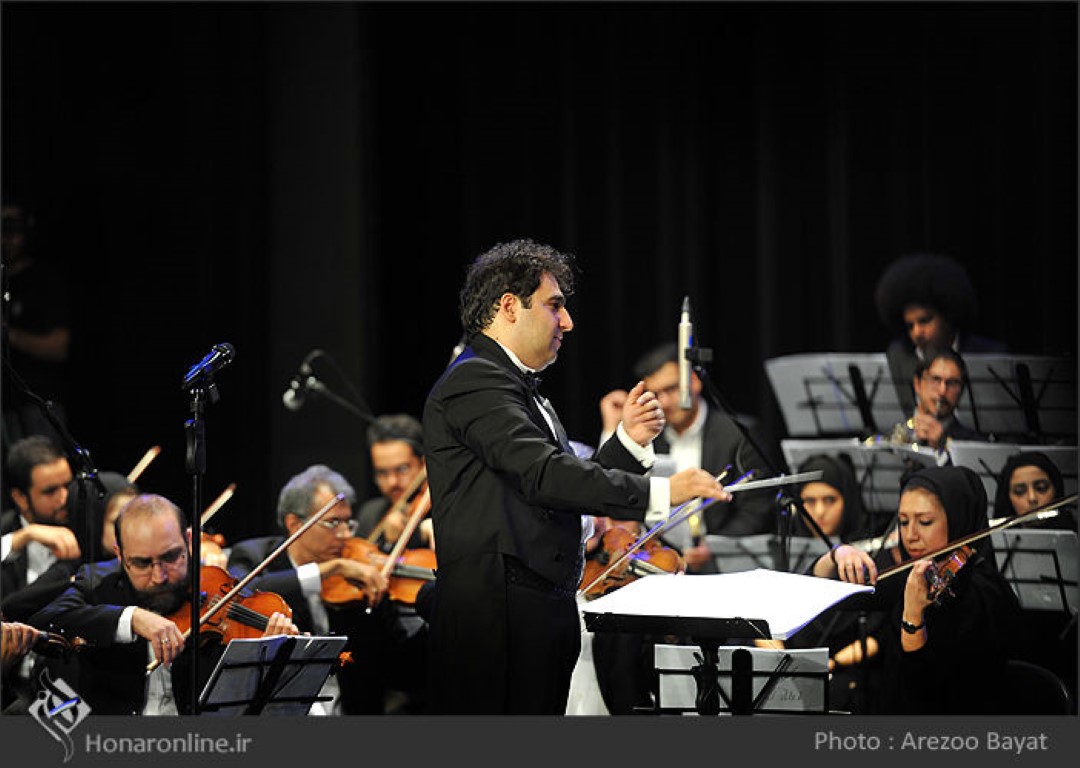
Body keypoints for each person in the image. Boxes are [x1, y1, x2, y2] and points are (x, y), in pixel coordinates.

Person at [422, 238, 728, 715]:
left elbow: (565, 486)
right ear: (509, 306)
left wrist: (627, 443)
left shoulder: (511, 384)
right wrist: (664, 490)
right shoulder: (475, 379)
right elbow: (545, 475)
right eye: (554, 306)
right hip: (498, 619)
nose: (567, 322)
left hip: (530, 612)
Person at [26, 493, 297, 715]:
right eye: (142, 563)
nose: (159, 577)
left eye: (171, 557)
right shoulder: (98, 582)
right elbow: (43, 619)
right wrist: (133, 618)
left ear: (188, 541)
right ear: (120, 554)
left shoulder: (219, 589)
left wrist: (274, 659)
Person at [812, 465, 1023, 714]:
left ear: (958, 518)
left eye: (925, 522)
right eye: (903, 521)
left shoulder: (985, 594)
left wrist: (913, 617)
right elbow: (818, 592)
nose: (910, 535)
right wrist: (837, 555)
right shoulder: (915, 574)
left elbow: (923, 686)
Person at [227, 464, 399, 715]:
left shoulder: (355, 580)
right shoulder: (253, 555)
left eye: (348, 523)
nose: (344, 535)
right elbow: (241, 593)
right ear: (295, 524)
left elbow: (390, 663)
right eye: (333, 522)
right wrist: (330, 569)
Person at [599, 341, 777, 572]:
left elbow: (756, 508)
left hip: (722, 566)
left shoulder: (738, 434)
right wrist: (613, 429)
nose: (664, 402)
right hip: (661, 563)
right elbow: (615, 490)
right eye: (656, 394)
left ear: (694, 381)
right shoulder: (649, 436)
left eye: (671, 389)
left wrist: (713, 547)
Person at [353, 413, 433, 714]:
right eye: (382, 473)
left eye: (402, 469)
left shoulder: (445, 510)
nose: (393, 483)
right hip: (386, 657)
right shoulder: (371, 514)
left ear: (423, 464)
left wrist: (427, 530)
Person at [874, 251, 1006, 414]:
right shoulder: (899, 355)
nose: (917, 332)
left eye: (924, 321)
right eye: (910, 326)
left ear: (948, 315)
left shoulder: (990, 356)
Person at [1, 202, 73, 450]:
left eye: (13, 228)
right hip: (4, 409)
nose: (7, 238)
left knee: (43, 465)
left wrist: (7, 333)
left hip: (37, 405)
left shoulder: (43, 281)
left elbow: (58, 348)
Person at [1, 436, 81, 622]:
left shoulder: (87, 525)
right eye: (50, 491)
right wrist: (25, 536)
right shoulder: (6, 530)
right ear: (21, 498)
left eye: (68, 485)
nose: (64, 498)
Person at [885, 346, 987, 455]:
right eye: (935, 379)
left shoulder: (974, 446)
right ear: (917, 384)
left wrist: (942, 449)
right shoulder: (892, 436)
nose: (942, 391)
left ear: (961, 390)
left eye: (952, 383)